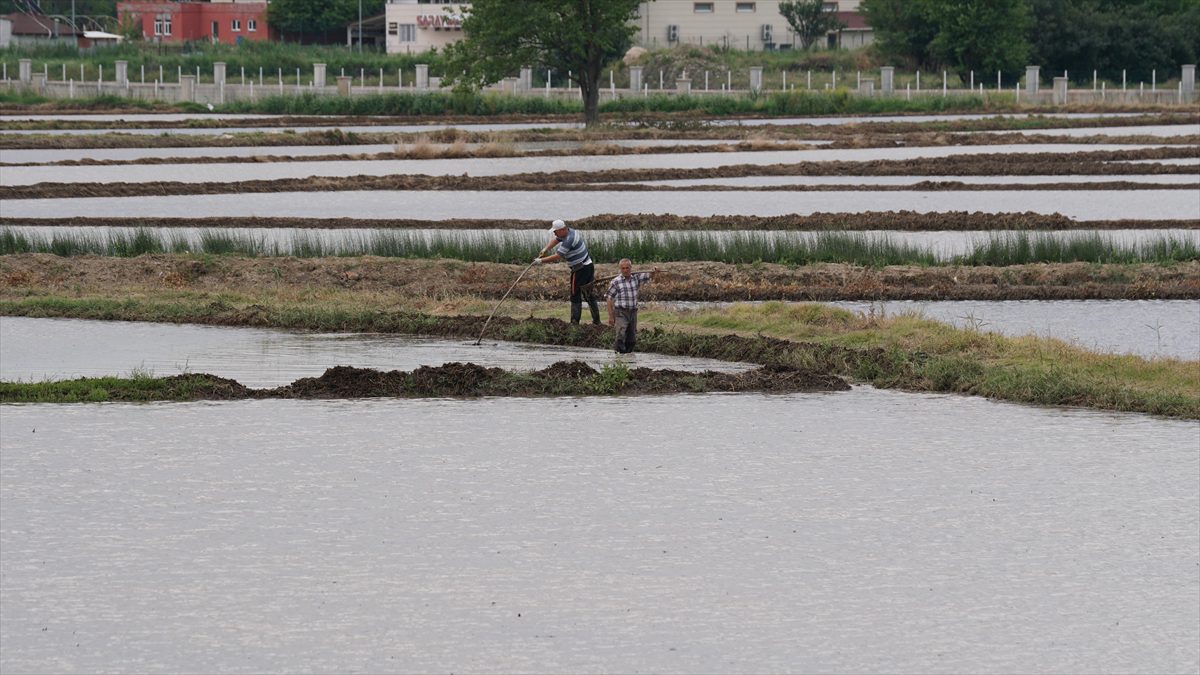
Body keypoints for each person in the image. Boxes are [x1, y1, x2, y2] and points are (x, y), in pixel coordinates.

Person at [533, 219, 601, 325]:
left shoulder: (569, 239)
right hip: (588, 265)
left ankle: (574, 323)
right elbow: (556, 240)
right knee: (588, 294)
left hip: (580, 269)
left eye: (555, 231)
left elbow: (558, 255)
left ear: (562, 229)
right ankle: (596, 321)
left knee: (575, 294)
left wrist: (540, 261)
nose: (554, 233)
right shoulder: (569, 231)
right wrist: (545, 249)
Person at [605, 258, 659, 354]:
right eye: (623, 268)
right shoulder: (616, 282)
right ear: (620, 269)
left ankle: (629, 359)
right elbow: (609, 298)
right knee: (621, 336)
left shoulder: (636, 278)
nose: (625, 270)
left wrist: (654, 270)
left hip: (633, 312)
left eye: (627, 268)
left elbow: (649, 275)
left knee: (631, 338)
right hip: (621, 312)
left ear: (631, 268)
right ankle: (619, 357)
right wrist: (611, 316)